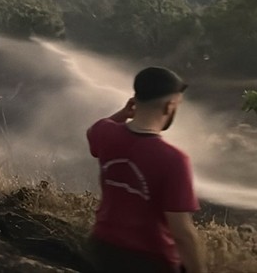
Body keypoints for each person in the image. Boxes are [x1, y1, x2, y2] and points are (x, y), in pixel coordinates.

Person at [85, 66, 207, 273]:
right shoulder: (174, 159)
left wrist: (124, 114)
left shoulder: (105, 133)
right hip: (149, 260)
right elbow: (182, 234)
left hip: (101, 247)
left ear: (135, 100)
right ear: (169, 106)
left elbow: (93, 131)